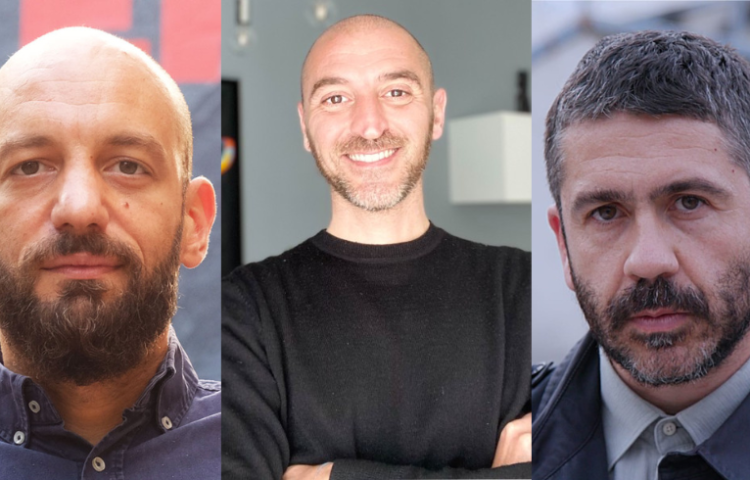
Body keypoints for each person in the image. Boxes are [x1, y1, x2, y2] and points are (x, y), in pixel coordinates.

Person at [222, 14, 531, 480]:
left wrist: (332, 476)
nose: (369, 125)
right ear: (305, 127)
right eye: (336, 98)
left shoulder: (523, 286)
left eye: (396, 92)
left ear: (437, 113)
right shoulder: (244, 307)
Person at [0, 27, 219, 478]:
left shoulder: (271, 449)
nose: (79, 209)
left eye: (127, 166)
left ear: (193, 224)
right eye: (30, 166)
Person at [533, 30, 750, 480]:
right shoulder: (493, 442)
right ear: (563, 245)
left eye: (689, 202)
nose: (648, 261)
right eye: (606, 212)